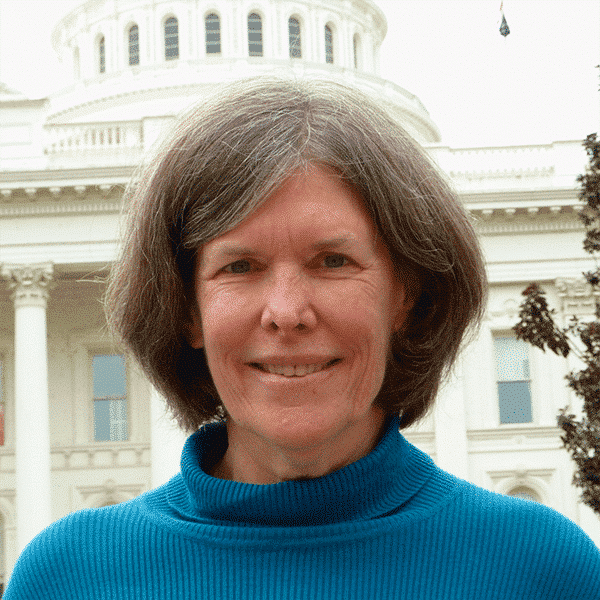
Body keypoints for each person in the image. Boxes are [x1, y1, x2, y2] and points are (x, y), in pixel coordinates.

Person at [5, 77, 600, 599]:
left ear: (406, 293)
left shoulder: (542, 569)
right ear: (187, 309)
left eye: (333, 261)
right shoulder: (70, 577)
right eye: (239, 266)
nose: (287, 313)